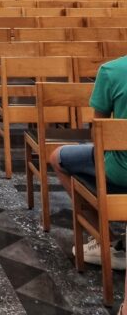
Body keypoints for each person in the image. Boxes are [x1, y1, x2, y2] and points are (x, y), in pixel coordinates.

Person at [50, 55, 127, 270]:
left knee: (57, 157)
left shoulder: (112, 70)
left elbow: (98, 132)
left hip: (121, 171)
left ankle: (110, 241)